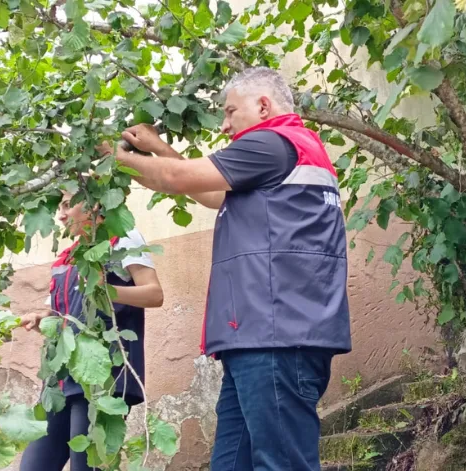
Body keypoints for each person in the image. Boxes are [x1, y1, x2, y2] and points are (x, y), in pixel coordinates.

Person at [107, 66, 352, 470]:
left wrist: (112, 157)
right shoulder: (292, 151)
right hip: (261, 339)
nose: (224, 125)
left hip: (275, 337)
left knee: (283, 464)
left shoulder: (272, 142)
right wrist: (159, 148)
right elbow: (212, 193)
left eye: (229, 111)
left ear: (262, 106)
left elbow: (175, 178)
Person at [18, 191, 164, 471]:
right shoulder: (66, 259)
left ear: (93, 202)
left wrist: (107, 291)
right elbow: (62, 314)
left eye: (65, 205)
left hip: (103, 379)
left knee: (88, 467)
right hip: (60, 383)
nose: (60, 216)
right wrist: (41, 318)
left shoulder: (122, 238)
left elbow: (154, 294)